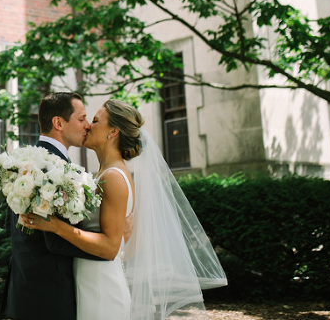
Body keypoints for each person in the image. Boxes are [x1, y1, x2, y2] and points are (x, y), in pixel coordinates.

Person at [20, 99, 227, 320]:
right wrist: (120, 242)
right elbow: (124, 244)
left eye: (96, 120)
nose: (88, 125)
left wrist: (57, 228)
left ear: (113, 132)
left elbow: (109, 249)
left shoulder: (114, 177)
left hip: (102, 289)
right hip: (90, 280)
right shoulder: (101, 175)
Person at [1, 91, 105, 320]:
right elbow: (54, 239)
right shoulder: (50, 167)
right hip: (48, 294)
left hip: (26, 288)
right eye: (81, 119)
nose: (87, 126)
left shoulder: (24, 161)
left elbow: (11, 227)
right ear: (58, 122)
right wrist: (107, 250)